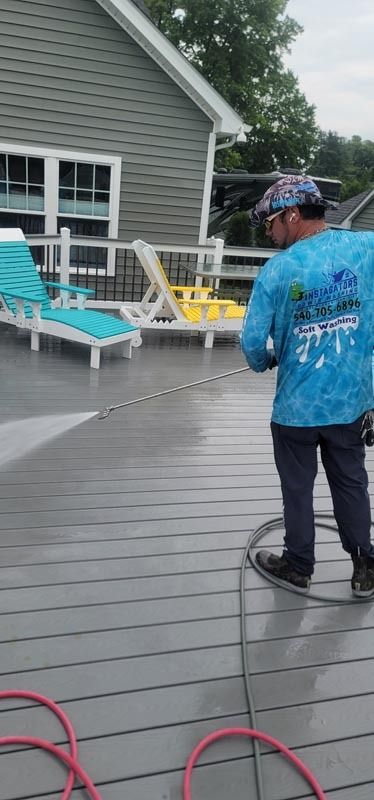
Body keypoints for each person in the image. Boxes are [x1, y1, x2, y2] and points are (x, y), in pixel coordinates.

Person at [240, 175, 374, 596]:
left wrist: (267, 360)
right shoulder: (365, 248)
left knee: (297, 489)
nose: (270, 233)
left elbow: (251, 344)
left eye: (271, 223)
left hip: (296, 410)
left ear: (292, 215)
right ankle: (366, 567)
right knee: (351, 482)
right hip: (351, 403)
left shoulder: (278, 270)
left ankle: (298, 564)